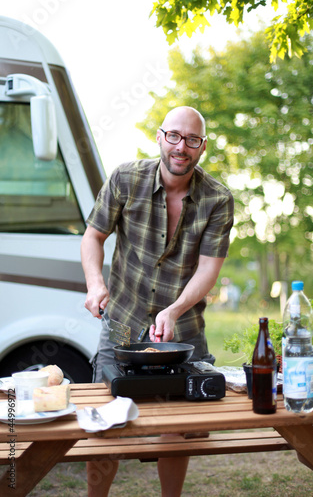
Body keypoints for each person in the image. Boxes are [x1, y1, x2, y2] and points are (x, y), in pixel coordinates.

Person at [81, 106, 234, 496]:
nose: (182, 147)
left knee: (178, 429)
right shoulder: (124, 178)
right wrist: (95, 283)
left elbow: (208, 269)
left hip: (183, 333)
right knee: (107, 428)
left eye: (192, 140)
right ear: (160, 137)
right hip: (121, 328)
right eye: (175, 136)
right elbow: (94, 236)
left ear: (202, 146)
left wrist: (174, 308)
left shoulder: (218, 199)